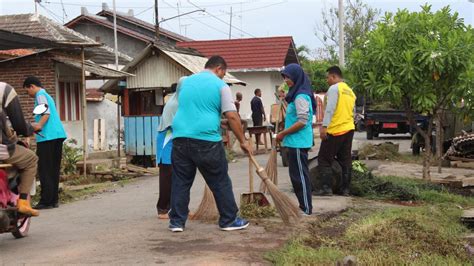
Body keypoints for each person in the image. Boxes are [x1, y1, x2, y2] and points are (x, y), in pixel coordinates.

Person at [169, 56, 251, 232]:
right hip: (206, 140)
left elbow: (193, 109)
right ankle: (228, 220)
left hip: (180, 137)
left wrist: (216, 121)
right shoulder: (220, 85)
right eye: (223, 74)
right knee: (220, 180)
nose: (223, 77)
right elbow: (232, 116)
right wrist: (243, 141)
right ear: (219, 69)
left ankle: (176, 222)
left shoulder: (186, 82)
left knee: (180, 181)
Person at [276, 64, 316, 216]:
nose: (286, 80)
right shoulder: (296, 95)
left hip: (298, 142)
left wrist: (283, 133)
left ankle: (306, 208)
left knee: (300, 176)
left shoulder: (300, 96)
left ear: (296, 77)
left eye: (288, 77)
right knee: (296, 176)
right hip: (294, 142)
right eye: (285, 77)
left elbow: (302, 122)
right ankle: (303, 206)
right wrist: (284, 99)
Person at [24, 76, 67, 209]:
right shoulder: (47, 95)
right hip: (57, 135)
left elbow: (46, 114)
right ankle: (53, 199)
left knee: (45, 169)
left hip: (47, 137)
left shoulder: (40, 95)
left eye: (27, 91)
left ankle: (46, 201)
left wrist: (38, 126)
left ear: (32, 86)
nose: (28, 94)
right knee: (53, 168)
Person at [315, 66, 356, 196]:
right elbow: (353, 112)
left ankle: (326, 188)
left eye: (328, 77)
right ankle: (345, 189)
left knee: (324, 159)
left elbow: (330, 109)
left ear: (333, 77)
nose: (327, 80)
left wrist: (324, 127)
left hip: (335, 130)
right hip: (349, 129)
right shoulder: (350, 91)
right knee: (345, 159)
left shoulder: (334, 89)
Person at [0, 82, 39, 216]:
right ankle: (23, 202)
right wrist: (30, 128)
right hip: (2, 149)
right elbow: (19, 124)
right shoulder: (4, 89)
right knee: (31, 159)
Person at [155, 79, 184, 219]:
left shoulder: (180, 102)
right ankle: (162, 209)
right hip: (167, 140)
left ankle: (178, 208)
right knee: (167, 176)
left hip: (176, 139)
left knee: (179, 177)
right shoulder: (175, 104)